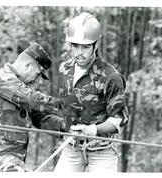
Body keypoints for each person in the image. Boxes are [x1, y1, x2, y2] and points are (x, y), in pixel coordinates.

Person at [54, 12, 129, 172]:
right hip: (71, 148)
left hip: (102, 153)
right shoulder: (64, 69)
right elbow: (62, 106)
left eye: (86, 47)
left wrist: (93, 130)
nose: (79, 52)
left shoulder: (111, 76)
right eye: (75, 46)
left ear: (96, 45)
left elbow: (118, 120)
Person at [0, 42, 64, 172]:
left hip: (12, 160)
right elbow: (30, 99)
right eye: (38, 74)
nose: (38, 80)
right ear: (28, 65)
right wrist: (62, 104)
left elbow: (39, 118)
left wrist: (64, 125)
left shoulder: (23, 89)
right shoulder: (2, 78)